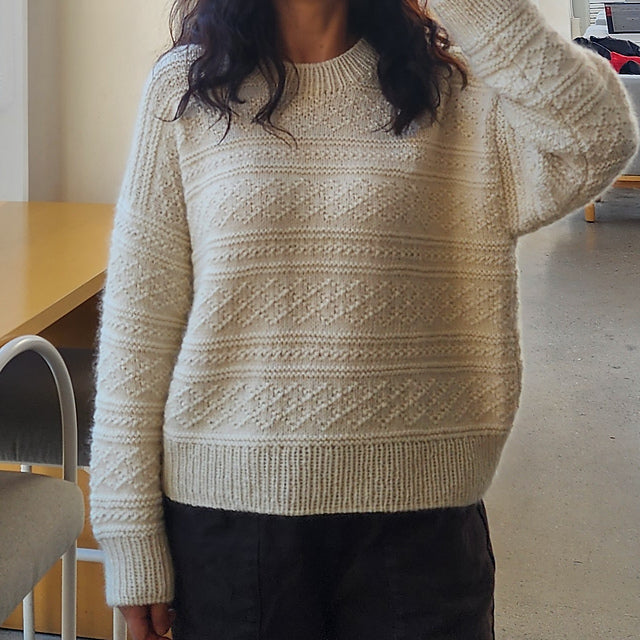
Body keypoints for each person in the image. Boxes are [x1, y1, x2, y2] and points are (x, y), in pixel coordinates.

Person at [88, 0, 638, 638]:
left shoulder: (452, 95)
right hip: (231, 525)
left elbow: (599, 137)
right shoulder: (189, 90)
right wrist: (128, 532)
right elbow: (139, 324)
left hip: (419, 525)